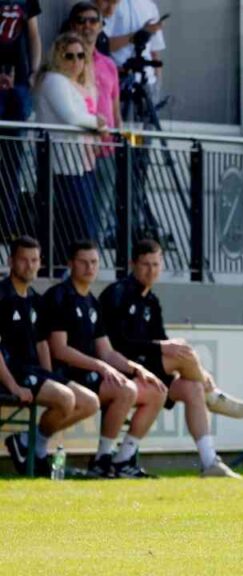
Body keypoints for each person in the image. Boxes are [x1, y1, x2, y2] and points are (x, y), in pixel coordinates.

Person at [100, 240, 243, 478]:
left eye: (156, 264)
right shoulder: (117, 294)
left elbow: (161, 340)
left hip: (150, 370)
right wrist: (164, 347)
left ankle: (209, 461)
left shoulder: (152, 300)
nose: (151, 270)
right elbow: (118, 343)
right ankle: (212, 395)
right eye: (145, 265)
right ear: (133, 264)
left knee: (192, 388)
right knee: (183, 352)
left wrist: (168, 349)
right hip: (123, 368)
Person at [43, 240, 167, 479]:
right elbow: (59, 350)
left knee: (155, 389)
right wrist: (100, 365)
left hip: (88, 376)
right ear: (70, 264)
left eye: (94, 262)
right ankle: (100, 459)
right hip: (65, 376)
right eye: (84, 262)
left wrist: (137, 368)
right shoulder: (59, 296)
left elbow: (106, 351)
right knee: (125, 390)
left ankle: (117, 460)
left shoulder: (92, 302)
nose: (90, 267)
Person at [1, 236, 100, 476]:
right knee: (66, 399)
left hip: (34, 373)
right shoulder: (2, 295)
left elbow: (42, 343)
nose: (29, 265)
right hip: (12, 372)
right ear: (10, 261)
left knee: (89, 403)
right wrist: (13, 386)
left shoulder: (35, 298)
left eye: (34, 260)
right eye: (23, 260)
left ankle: (28, 443)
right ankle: (35, 451)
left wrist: (51, 378)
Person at [32, 32, 106, 265]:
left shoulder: (82, 84)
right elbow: (71, 116)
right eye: (69, 56)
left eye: (80, 56)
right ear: (58, 57)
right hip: (62, 166)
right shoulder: (54, 80)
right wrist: (98, 124)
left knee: (83, 227)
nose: (76, 62)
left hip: (82, 164)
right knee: (67, 224)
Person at [68, 1, 122, 246]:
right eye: (82, 20)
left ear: (101, 26)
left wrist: (117, 137)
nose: (87, 26)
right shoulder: (68, 61)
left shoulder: (109, 64)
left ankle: (93, 258)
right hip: (79, 148)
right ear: (73, 25)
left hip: (107, 147)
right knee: (78, 211)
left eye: (93, 21)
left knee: (100, 209)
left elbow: (114, 107)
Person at [0, 0, 41, 238]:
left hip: (20, 83)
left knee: (14, 157)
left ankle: (7, 225)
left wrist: (33, 71)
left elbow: (34, 34)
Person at [104, 0, 165, 102]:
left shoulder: (150, 5)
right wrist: (135, 37)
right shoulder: (110, 4)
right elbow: (103, 45)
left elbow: (154, 49)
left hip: (147, 82)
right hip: (118, 81)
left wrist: (158, 82)